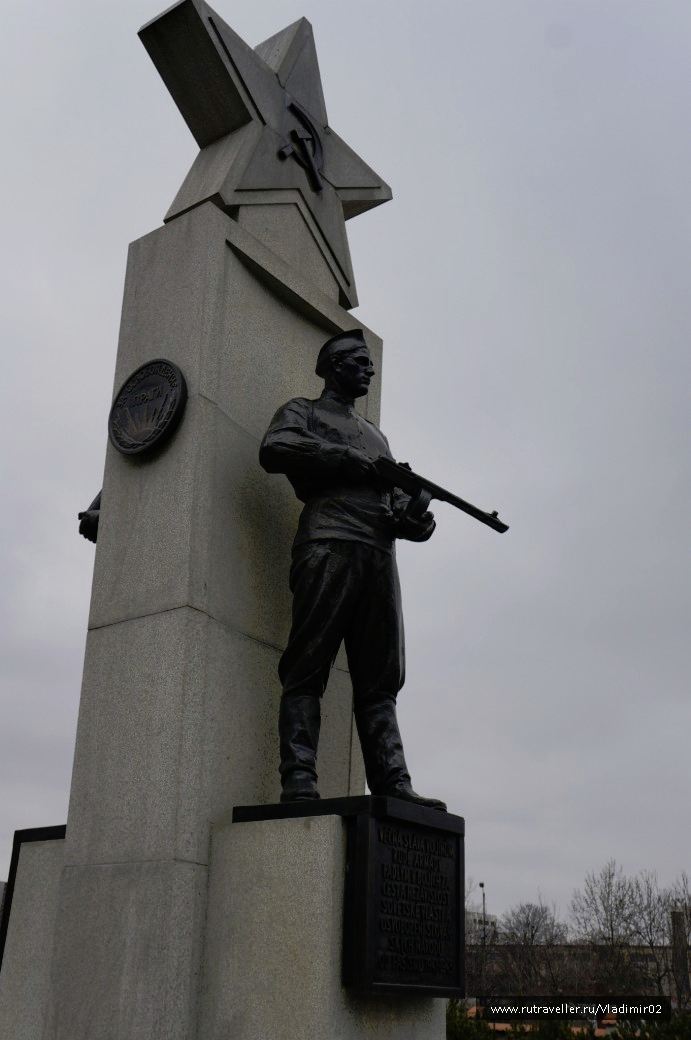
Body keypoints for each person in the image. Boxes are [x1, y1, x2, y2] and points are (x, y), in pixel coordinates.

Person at [259, 329, 446, 811]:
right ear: (334, 365)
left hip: (378, 554)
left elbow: (399, 503)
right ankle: (298, 778)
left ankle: (391, 781)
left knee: (381, 678)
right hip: (329, 540)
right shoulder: (303, 410)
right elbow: (275, 448)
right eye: (360, 361)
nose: (370, 369)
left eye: (369, 362)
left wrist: (414, 517)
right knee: (307, 665)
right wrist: (342, 457)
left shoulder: (378, 436)